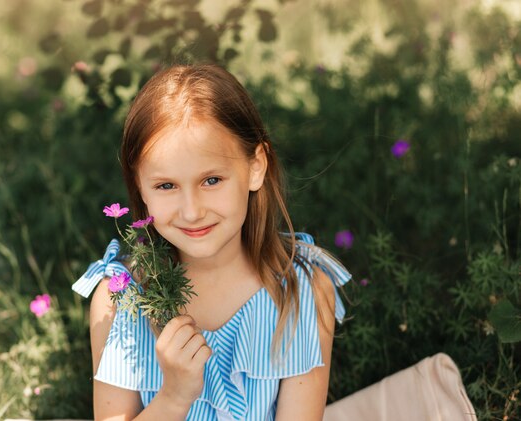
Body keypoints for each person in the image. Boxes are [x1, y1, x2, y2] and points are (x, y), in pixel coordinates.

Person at [72, 64, 352, 421]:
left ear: (256, 167)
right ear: (140, 187)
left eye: (212, 180)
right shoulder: (121, 299)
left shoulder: (302, 290)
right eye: (166, 186)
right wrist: (173, 397)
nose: (191, 212)